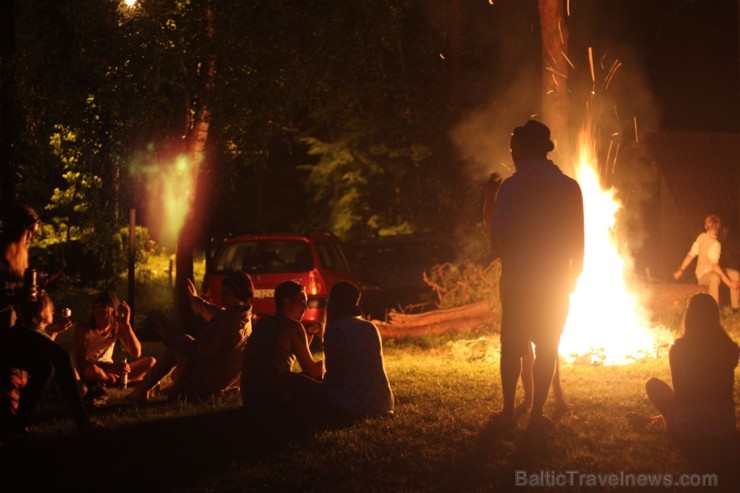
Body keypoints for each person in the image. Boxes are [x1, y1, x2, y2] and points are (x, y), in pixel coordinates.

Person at [488, 120, 584, 431]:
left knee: (512, 348)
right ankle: (536, 413)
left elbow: (500, 240)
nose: (511, 152)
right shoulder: (570, 188)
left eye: (513, 146)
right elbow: (578, 240)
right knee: (548, 348)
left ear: (522, 150)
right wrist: (574, 276)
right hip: (555, 284)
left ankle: (508, 412)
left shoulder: (511, 188)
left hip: (518, 283)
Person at [127, 271, 252, 401]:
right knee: (181, 342)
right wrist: (196, 300)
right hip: (217, 378)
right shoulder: (243, 317)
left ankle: (142, 391)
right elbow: (216, 312)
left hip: (204, 382)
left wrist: (169, 337)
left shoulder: (225, 323)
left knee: (176, 347)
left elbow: (198, 349)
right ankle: (155, 388)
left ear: (238, 295)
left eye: (226, 293)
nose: (222, 297)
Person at [631, 293, 738, 441]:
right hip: (725, 426)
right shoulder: (730, 348)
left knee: (653, 385)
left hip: (688, 428)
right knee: (698, 407)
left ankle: (659, 420)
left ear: (689, 317)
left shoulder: (678, 349)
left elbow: (681, 396)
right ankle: (653, 420)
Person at [1, 291, 102, 439]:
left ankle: (18, 427)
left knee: (48, 365)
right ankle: (82, 421)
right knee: (53, 361)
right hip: (4, 331)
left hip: (12, 326)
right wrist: (15, 297)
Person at [241, 280, 324, 414]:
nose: (306, 308)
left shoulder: (263, 323)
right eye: (302, 302)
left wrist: (309, 333)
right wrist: (337, 360)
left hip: (250, 400)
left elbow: (291, 354)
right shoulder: (292, 326)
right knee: (327, 386)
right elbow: (313, 372)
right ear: (287, 303)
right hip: (276, 401)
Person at [323, 281, 394, 417]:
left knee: (292, 379)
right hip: (382, 402)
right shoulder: (370, 327)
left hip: (352, 403)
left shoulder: (335, 329)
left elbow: (334, 378)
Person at [74, 291, 155, 390]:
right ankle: (120, 381)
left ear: (114, 313)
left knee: (150, 362)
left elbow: (136, 353)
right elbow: (81, 363)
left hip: (112, 370)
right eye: (96, 311)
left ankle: (116, 380)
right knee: (92, 371)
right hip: (93, 370)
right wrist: (112, 367)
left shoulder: (116, 327)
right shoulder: (84, 329)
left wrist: (127, 325)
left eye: (102, 312)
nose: (97, 315)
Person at [673, 215, 740, 309]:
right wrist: (729, 283)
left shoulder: (702, 236)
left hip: (710, 270)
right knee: (715, 277)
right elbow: (714, 266)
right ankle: (713, 310)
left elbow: (691, 255)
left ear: (705, 227)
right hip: (704, 275)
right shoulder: (713, 243)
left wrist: (680, 270)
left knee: (735, 274)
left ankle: (736, 307)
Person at [1, 205, 40, 329]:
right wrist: (17, 298)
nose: (33, 237)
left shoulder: (17, 259)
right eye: (32, 231)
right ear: (21, 230)